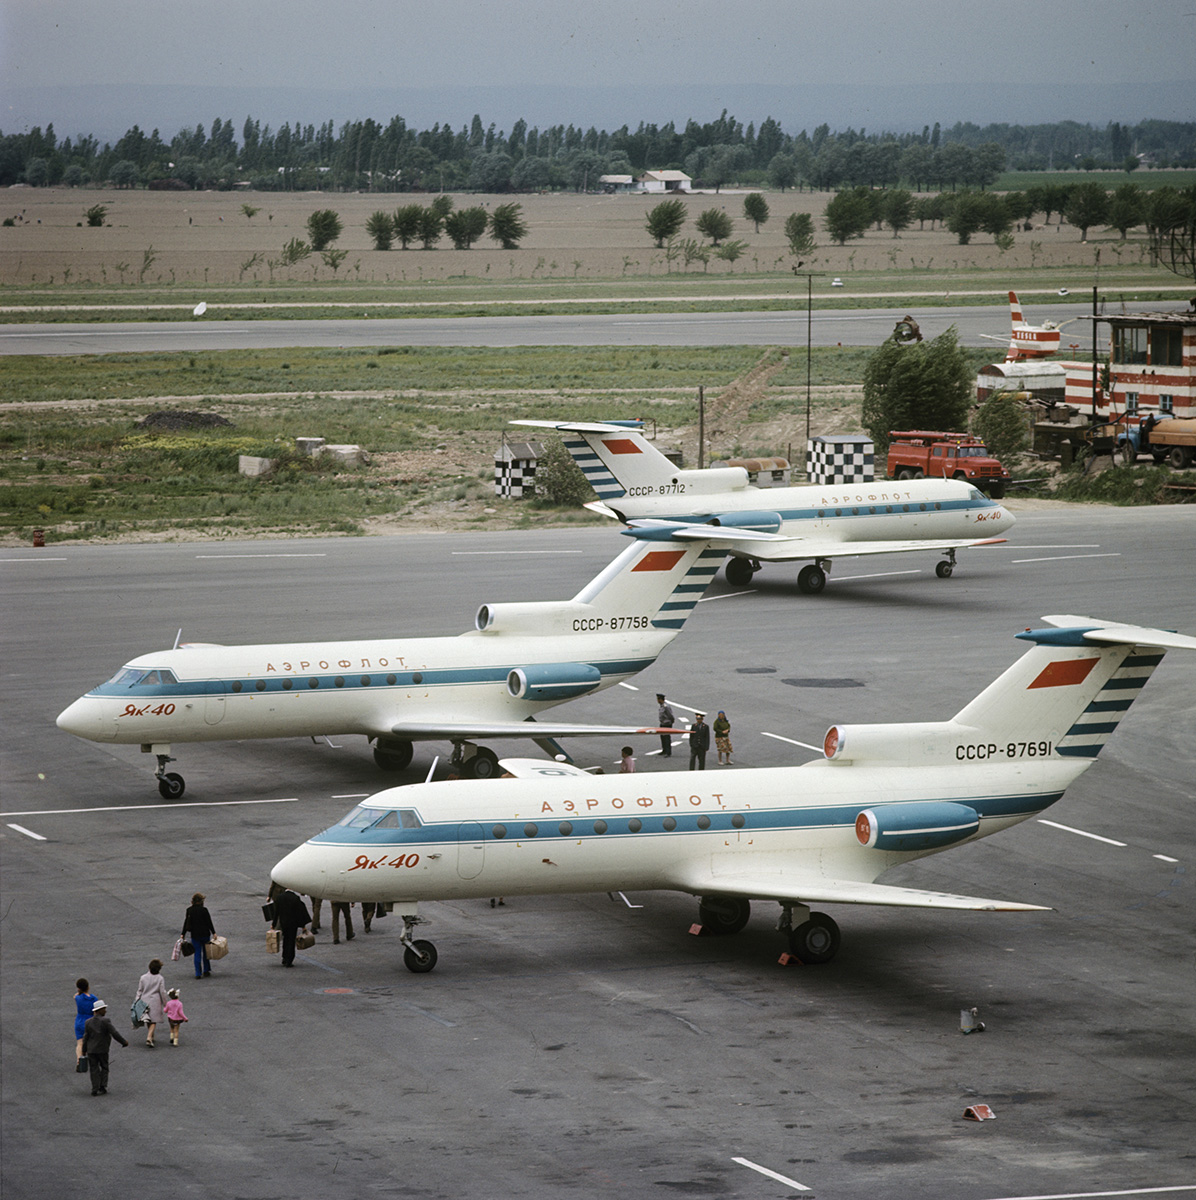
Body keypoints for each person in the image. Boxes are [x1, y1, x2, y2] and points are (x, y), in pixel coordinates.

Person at [81, 1000, 127, 1095]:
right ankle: (102, 1086)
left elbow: (85, 1037)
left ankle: (94, 1088)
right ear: (100, 1010)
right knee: (104, 1067)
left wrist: (84, 1050)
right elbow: (114, 1033)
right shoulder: (105, 1021)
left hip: (91, 1050)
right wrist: (123, 1042)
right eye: (104, 1009)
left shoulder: (88, 1022)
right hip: (102, 1049)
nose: (105, 1011)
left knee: (94, 1068)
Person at [269, 883, 312, 967]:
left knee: (285, 939)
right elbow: (299, 912)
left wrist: (273, 924)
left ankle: (284, 957)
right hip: (293, 923)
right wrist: (302, 925)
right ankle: (289, 959)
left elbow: (276, 913)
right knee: (291, 941)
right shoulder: (295, 898)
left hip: (283, 922)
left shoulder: (280, 897)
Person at [181, 892, 216, 979]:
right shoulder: (204, 910)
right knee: (206, 953)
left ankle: (198, 973)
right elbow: (209, 922)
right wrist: (214, 932)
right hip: (205, 934)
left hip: (195, 935)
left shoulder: (189, 910)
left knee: (197, 953)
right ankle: (206, 970)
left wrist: (183, 934)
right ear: (201, 901)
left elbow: (186, 922)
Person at [135, 959, 169, 1048]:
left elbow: (140, 990)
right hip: (155, 1001)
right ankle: (149, 1037)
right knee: (154, 1020)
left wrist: (136, 1001)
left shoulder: (143, 977)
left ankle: (152, 1035)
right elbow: (162, 992)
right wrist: (166, 1003)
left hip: (144, 1000)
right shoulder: (160, 978)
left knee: (148, 1019)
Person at [74, 978, 97, 1072]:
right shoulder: (94, 999)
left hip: (79, 1021)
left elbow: (75, 996)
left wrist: (79, 992)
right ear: (88, 987)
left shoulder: (78, 998)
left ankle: (79, 1060)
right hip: (90, 1020)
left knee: (80, 1043)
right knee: (91, 1042)